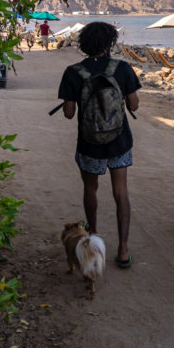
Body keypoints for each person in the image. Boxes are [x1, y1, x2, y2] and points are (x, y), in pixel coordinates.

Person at [58, 22, 141, 269]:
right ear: (110, 43)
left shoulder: (73, 72)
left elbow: (69, 114)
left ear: (83, 44)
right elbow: (134, 106)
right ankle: (123, 250)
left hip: (89, 143)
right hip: (119, 141)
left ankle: (93, 237)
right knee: (120, 192)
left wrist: (72, 100)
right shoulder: (122, 68)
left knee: (90, 189)